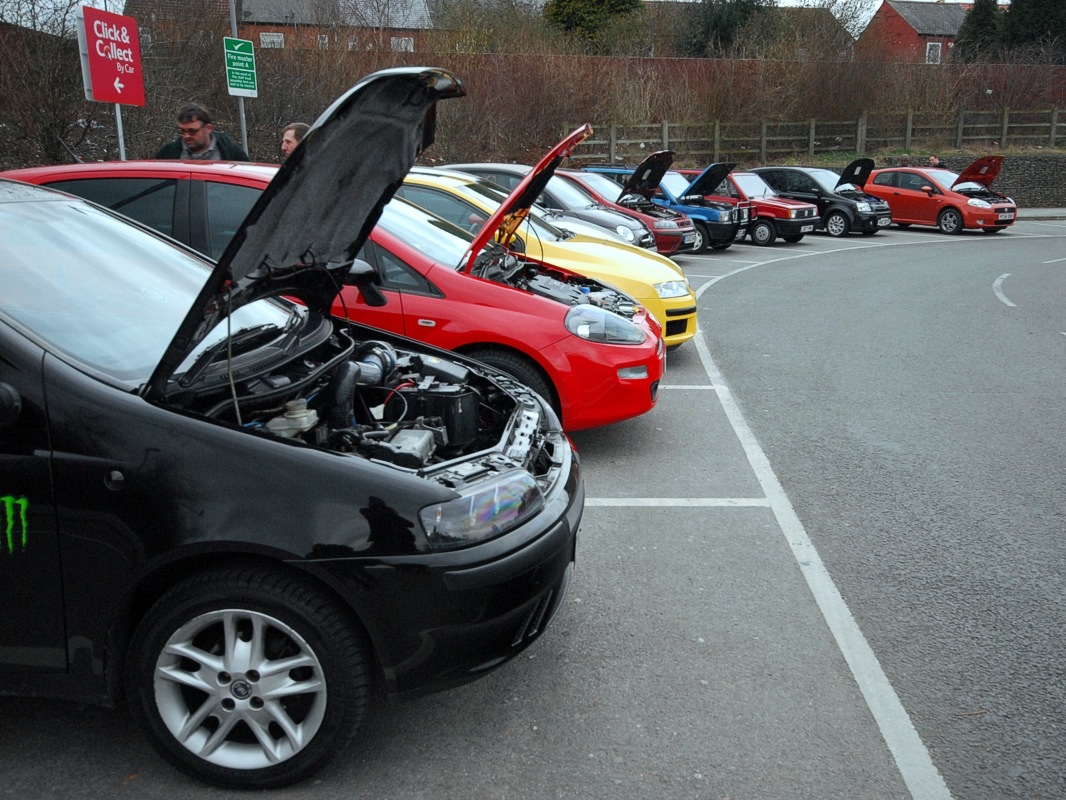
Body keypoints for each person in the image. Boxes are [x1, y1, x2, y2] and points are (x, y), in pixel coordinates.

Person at [155, 104, 249, 161]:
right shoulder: (168, 154)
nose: (186, 136)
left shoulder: (229, 150)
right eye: (183, 131)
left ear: (208, 128)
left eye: (192, 131)